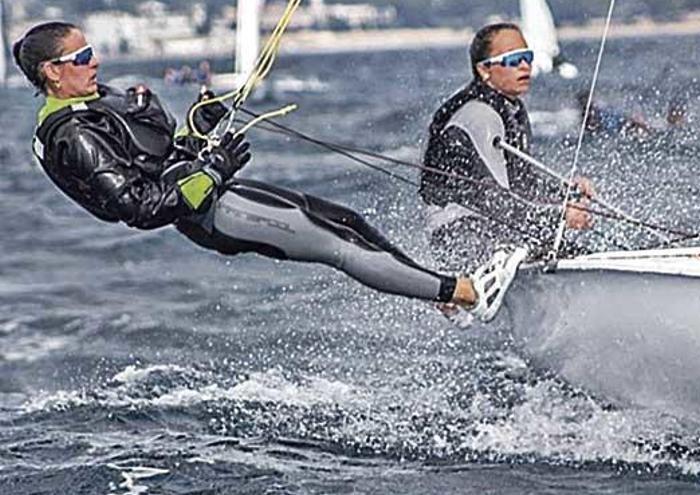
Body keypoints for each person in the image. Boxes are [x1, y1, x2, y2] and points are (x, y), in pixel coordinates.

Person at [14, 21, 524, 322]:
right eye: (81, 57)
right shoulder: (70, 136)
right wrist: (212, 169)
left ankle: (441, 289)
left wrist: (200, 131)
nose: (95, 61)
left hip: (216, 192)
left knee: (345, 220)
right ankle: (467, 293)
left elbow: (162, 156)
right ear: (52, 72)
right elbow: (141, 208)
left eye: (90, 50)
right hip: (212, 214)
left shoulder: (96, 101)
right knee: (336, 245)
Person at [420, 23, 593, 271]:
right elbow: (496, 202)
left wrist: (567, 193)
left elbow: (523, 183)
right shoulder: (480, 115)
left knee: (577, 255)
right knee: (554, 252)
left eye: (527, 57)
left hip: (493, 227)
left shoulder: (511, 108)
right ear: (484, 70)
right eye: (513, 59)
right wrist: (560, 216)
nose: (525, 66)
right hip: (459, 235)